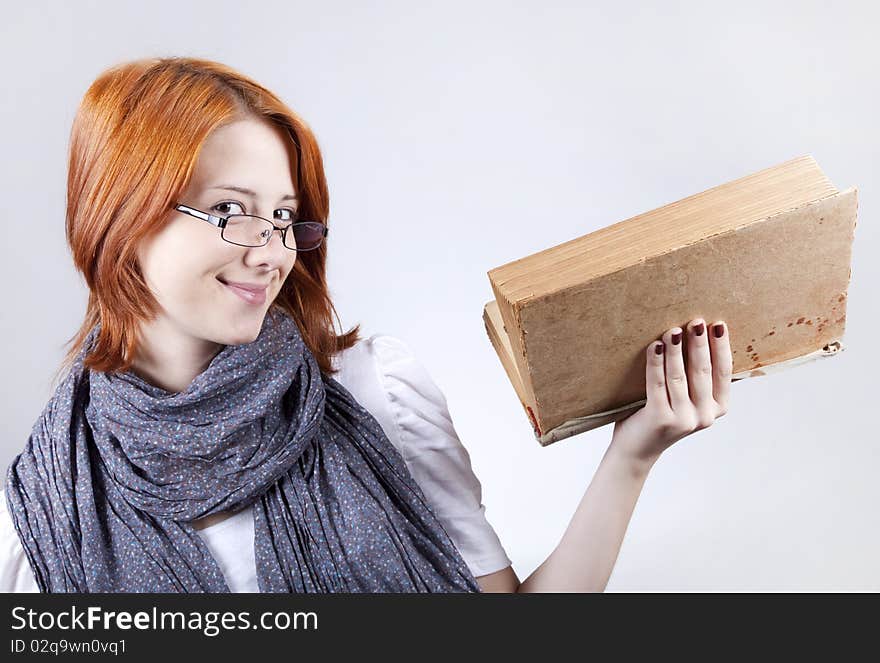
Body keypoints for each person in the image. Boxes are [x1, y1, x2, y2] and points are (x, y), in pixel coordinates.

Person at [0, 57, 732, 593]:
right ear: (118, 217)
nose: (272, 251)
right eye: (231, 211)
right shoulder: (45, 509)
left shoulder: (375, 392)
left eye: (285, 216)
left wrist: (631, 456)